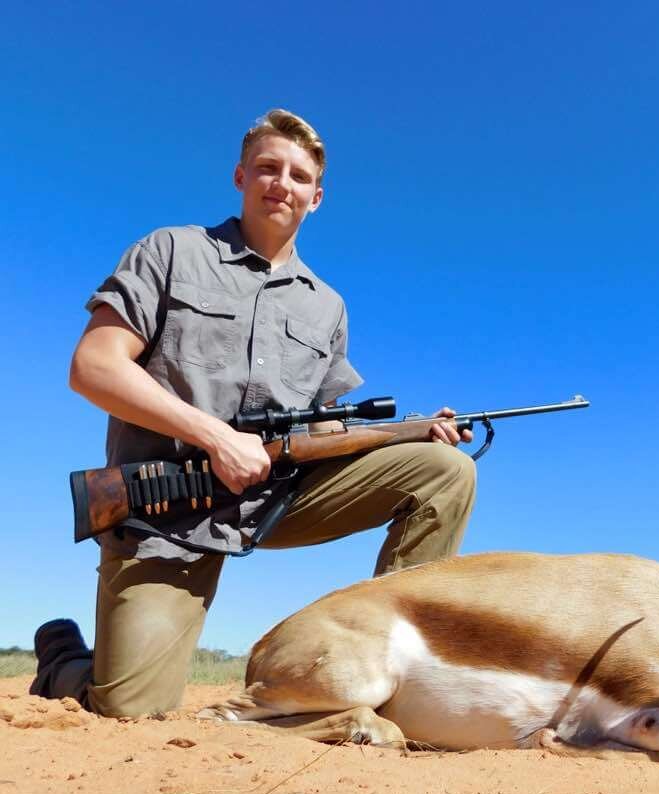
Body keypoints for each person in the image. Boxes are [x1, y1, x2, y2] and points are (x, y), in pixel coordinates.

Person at [31, 109, 477, 717]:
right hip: (166, 513)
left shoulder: (328, 306)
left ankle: (399, 674)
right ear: (241, 176)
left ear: (316, 197)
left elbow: (324, 429)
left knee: (442, 470)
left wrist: (411, 431)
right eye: (268, 167)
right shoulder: (171, 250)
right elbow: (94, 366)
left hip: (272, 500)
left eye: (297, 175)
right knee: (128, 711)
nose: (281, 183)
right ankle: (62, 659)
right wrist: (213, 436)